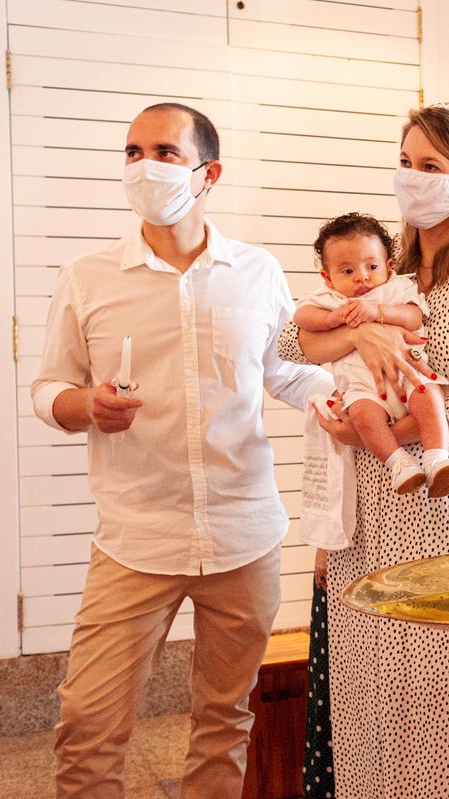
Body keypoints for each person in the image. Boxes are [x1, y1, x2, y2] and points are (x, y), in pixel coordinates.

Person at [31, 102, 333, 799]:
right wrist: (87, 405)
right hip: (135, 538)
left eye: (165, 153)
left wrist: (361, 393)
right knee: (87, 726)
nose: (145, 166)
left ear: (208, 174)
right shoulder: (87, 277)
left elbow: (286, 372)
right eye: (133, 152)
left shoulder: (256, 271)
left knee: (224, 721)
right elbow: (49, 389)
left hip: (244, 535)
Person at [278, 102, 449, 799]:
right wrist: (358, 335)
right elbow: (287, 341)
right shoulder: (382, 267)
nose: (411, 177)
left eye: (430, 165)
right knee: (383, 687)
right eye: (404, 162)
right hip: (375, 508)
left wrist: (393, 435)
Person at [293, 212, 449, 496]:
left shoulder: (395, 287)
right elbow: (301, 317)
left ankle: (437, 458)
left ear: (388, 266)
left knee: (430, 396)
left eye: (371, 266)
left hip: (408, 374)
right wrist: (332, 318)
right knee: (362, 416)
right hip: (363, 387)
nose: (362, 276)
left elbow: (414, 316)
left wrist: (377, 312)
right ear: (328, 278)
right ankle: (400, 464)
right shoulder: (331, 298)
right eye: (347, 271)